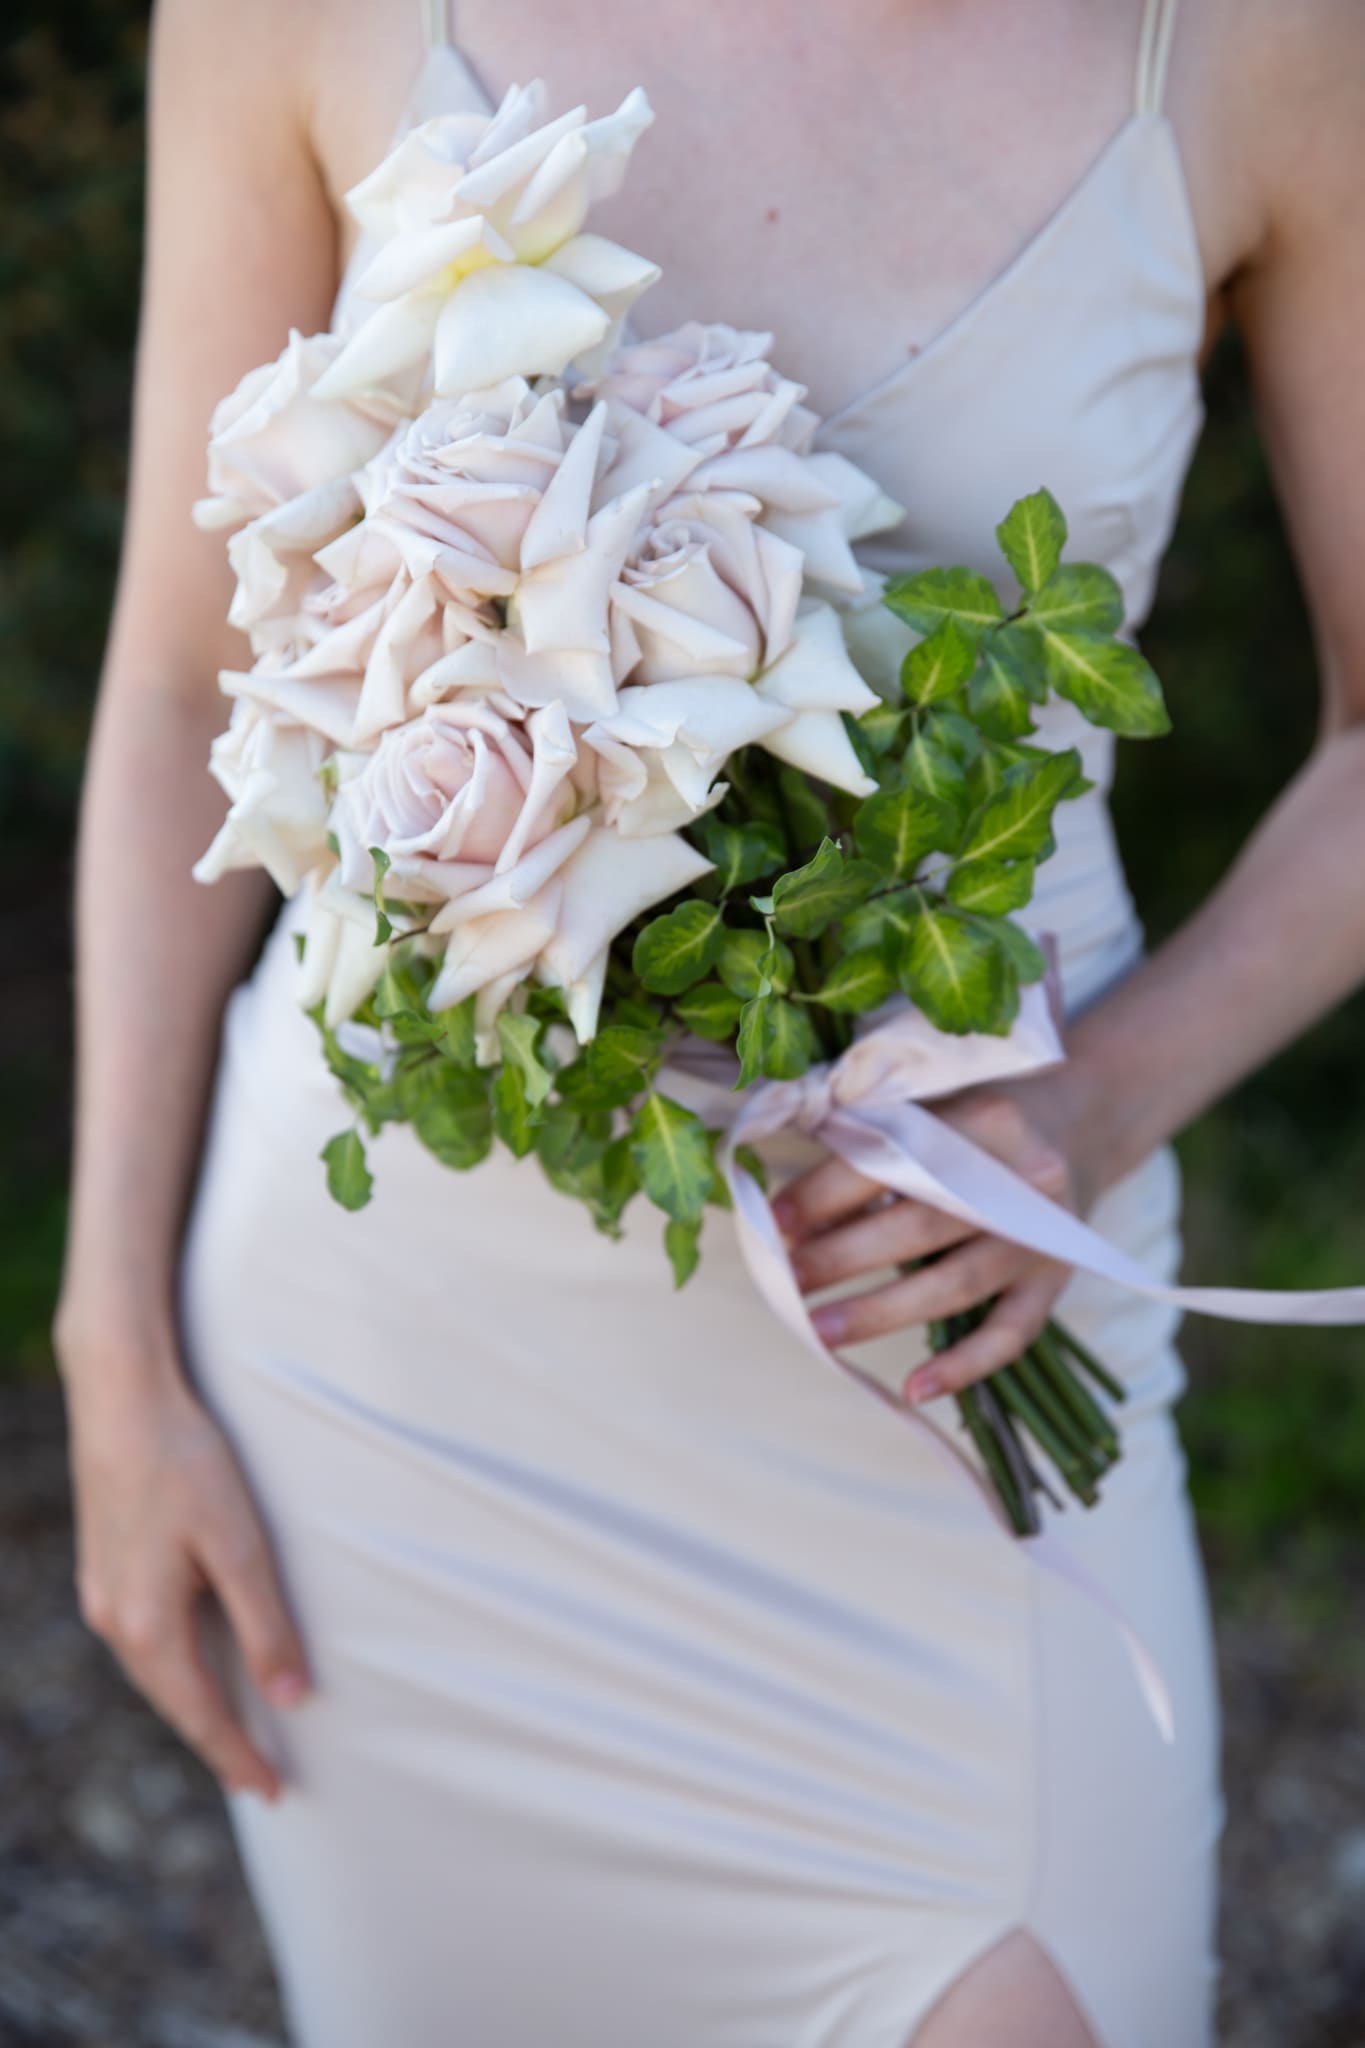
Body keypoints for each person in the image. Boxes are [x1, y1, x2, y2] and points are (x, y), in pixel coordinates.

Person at [53, 0, 1365, 2042]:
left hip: (944, 1323)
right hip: (405, 1381)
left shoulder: (1256, 40)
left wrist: (1093, 1111)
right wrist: (108, 1342)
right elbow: (172, 690)